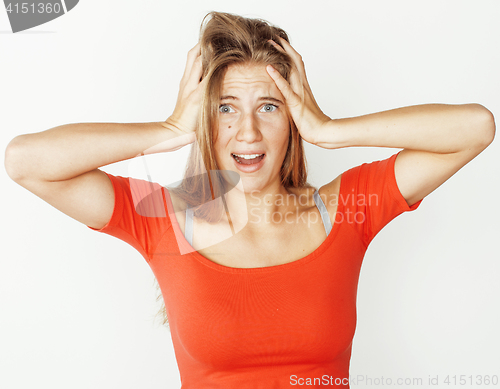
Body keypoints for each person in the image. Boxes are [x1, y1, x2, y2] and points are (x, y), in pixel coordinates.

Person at [4, 11, 495, 389]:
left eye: (269, 106)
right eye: (225, 108)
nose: (248, 132)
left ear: (292, 119)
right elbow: (26, 160)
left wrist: (329, 129)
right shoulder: (165, 220)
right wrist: (170, 128)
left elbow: (475, 127)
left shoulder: (345, 210)